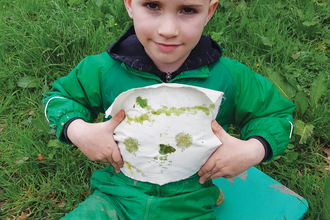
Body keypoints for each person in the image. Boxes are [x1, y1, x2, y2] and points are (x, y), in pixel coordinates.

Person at [43, 0, 296, 219]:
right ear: (130, 4)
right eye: (152, 5)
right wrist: (77, 129)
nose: (168, 30)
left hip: (191, 199)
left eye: (187, 10)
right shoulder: (103, 70)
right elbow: (61, 97)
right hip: (116, 195)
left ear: (209, 11)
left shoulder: (230, 77)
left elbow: (275, 114)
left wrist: (254, 149)